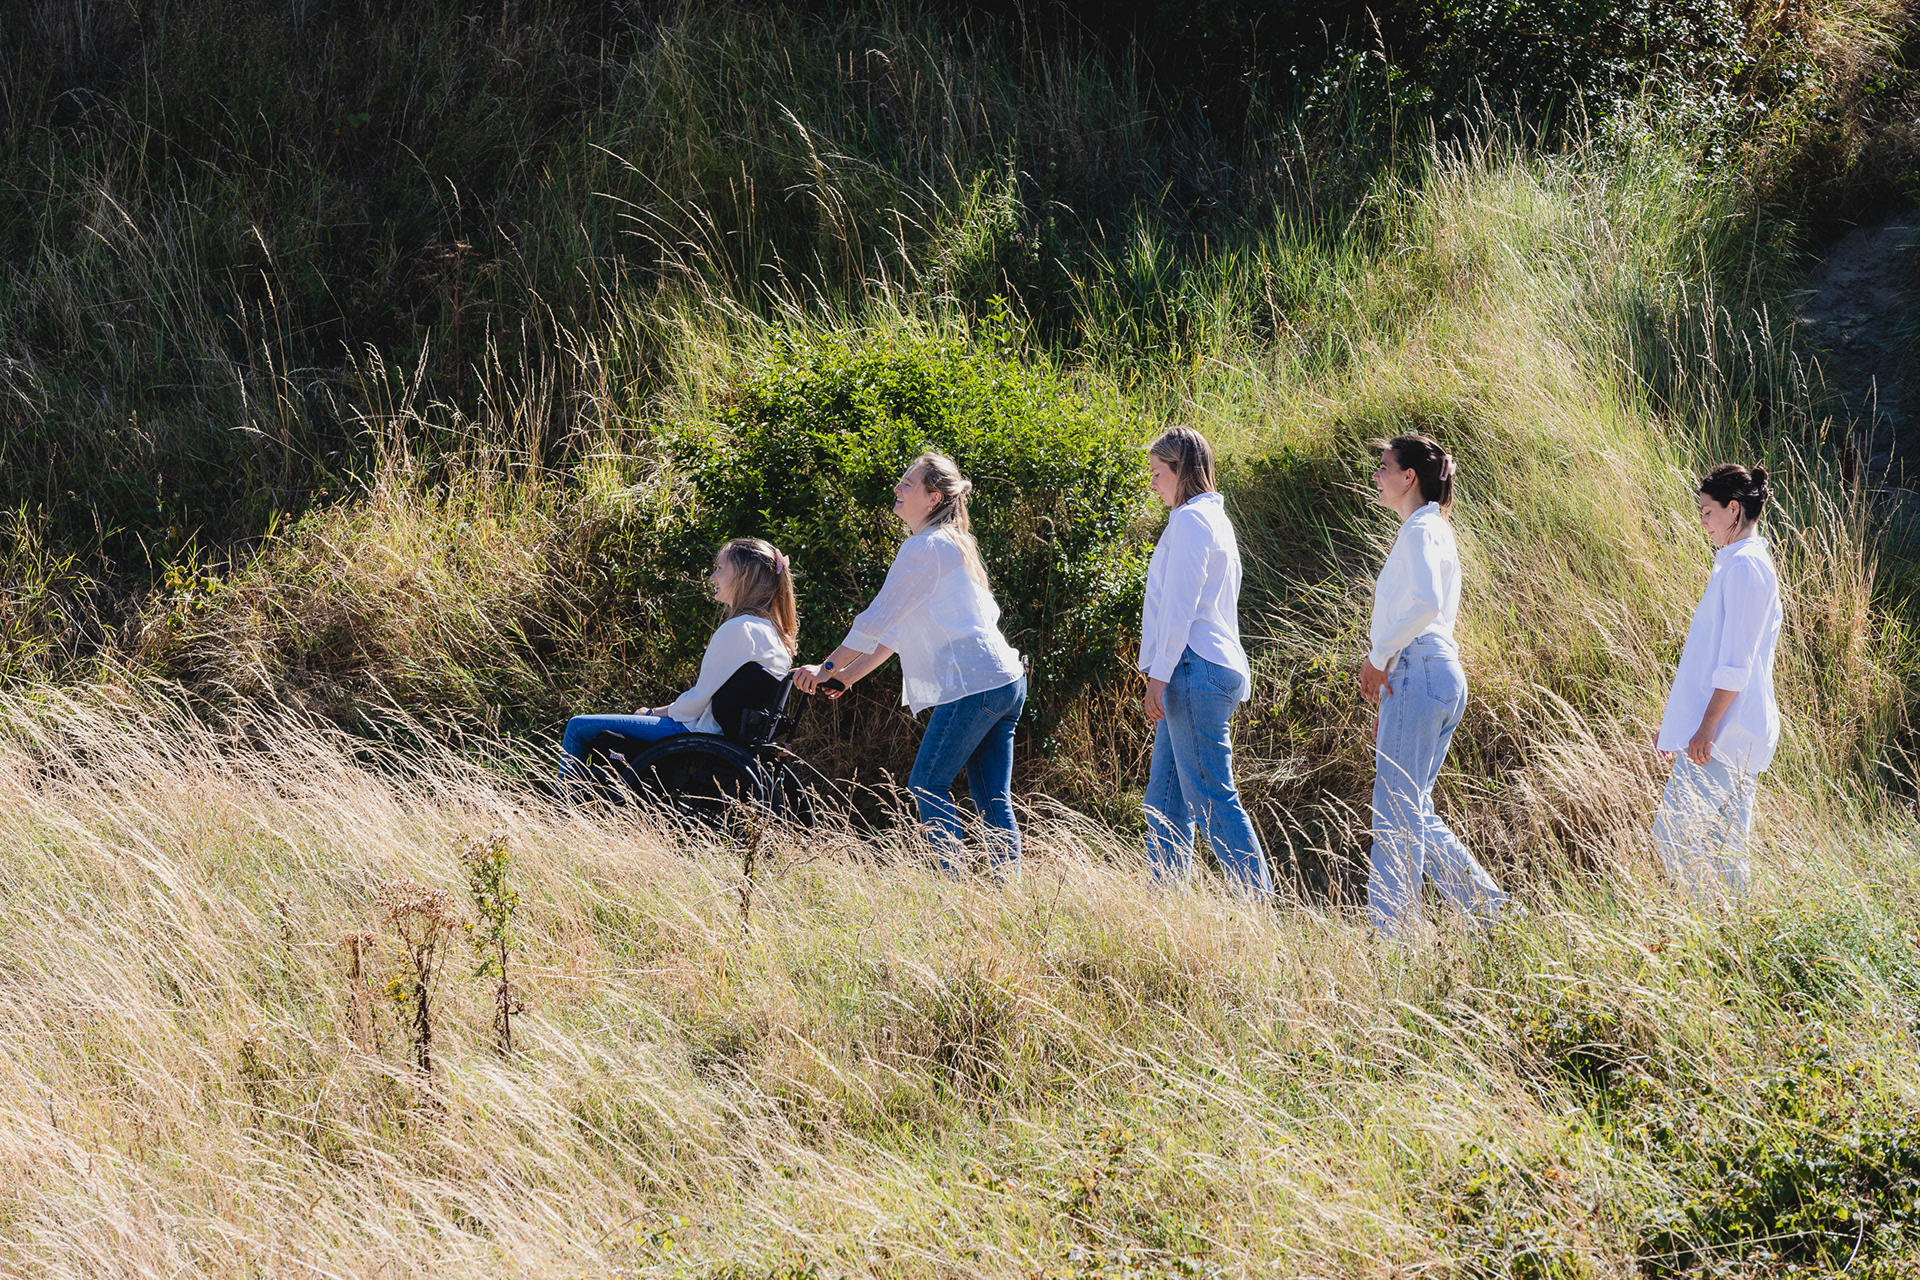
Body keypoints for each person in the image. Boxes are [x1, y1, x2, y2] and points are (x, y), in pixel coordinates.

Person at [793, 453, 1028, 875]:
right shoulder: (951, 544)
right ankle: (1006, 895)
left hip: (973, 684)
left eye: (907, 484)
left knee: (927, 784)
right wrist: (844, 677)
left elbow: (876, 619)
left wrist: (823, 669)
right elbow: (894, 634)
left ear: (933, 497)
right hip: (1003, 682)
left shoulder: (926, 546)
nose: (897, 489)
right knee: (993, 800)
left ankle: (952, 887)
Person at [1360, 434, 1508, 934]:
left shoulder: (1421, 529)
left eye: (1384, 467)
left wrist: (1379, 657)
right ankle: (1493, 912)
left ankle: (1391, 938)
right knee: (1413, 807)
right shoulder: (1433, 529)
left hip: (1418, 666)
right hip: (1439, 671)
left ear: (1409, 478)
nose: (1377, 475)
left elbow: (1422, 604)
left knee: (1396, 812)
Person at [1137, 426, 1272, 897]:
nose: (1153, 483)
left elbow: (1180, 607)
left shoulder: (1191, 521)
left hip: (1192, 667)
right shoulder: (1212, 519)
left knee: (1211, 798)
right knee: (1166, 798)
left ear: (1181, 470)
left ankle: (1257, 905)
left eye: (1158, 473)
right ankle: (1168, 904)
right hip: (1203, 667)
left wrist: (1158, 675)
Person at [559, 537, 796, 782]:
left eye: (720, 568)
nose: (713, 576)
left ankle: (561, 807)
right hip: (732, 740)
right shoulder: (778, 637)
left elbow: (694, 704)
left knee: (578, 727)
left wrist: (652, 712)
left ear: (744, 573)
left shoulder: (739, 629)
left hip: (701, 735)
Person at [1652, 463, 1781, 900]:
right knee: (1727, 855)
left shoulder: (1745, 567)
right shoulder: (1735, 564)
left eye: (1708, 511)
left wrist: (1704, 730)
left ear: (1733, 509)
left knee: (1671, 837)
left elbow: (1734, 666)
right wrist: (1682, 723)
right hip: (1732, 731)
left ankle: (1705, 932)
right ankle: (1736, 948)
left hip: (1728, 734)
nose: (1702, 521)